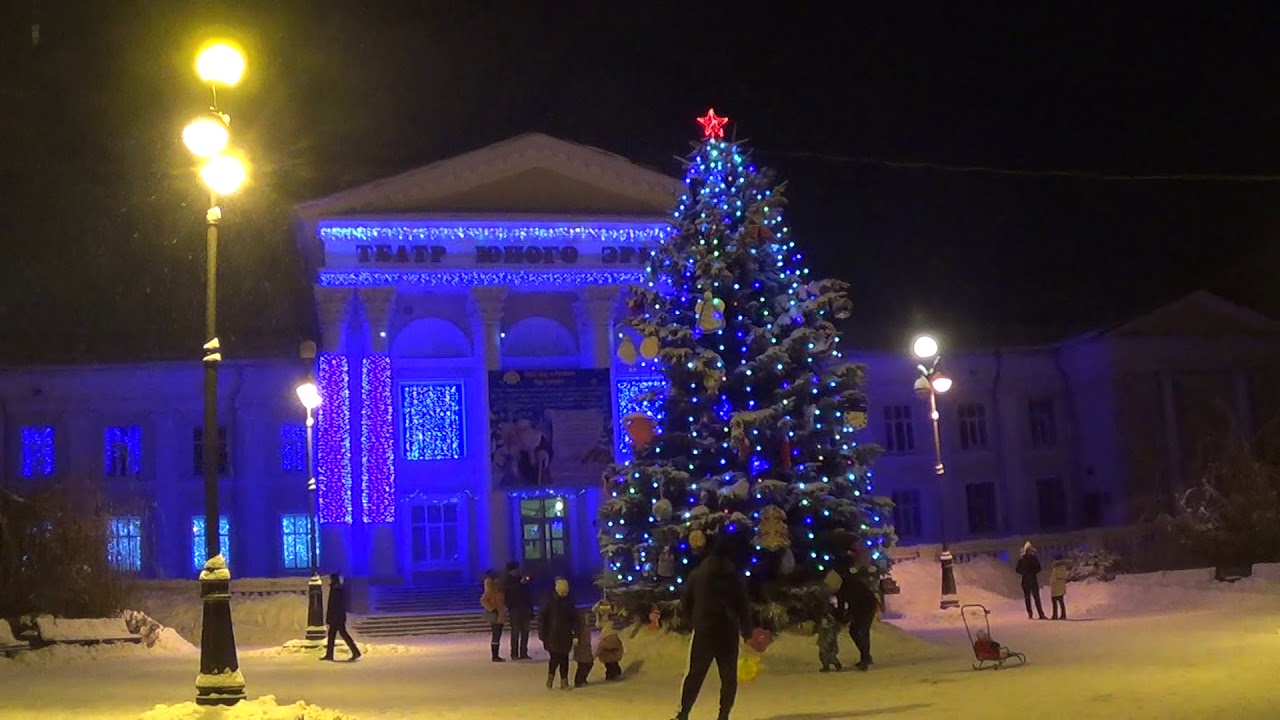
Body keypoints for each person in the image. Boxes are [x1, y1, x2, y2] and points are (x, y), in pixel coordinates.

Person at [671, 535, 753, 720]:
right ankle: (723, 715)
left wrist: (693, 621)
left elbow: (686, 601)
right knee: (728, 677)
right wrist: (746, 629)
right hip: (728, 631)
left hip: (704, 630)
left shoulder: (698, 574)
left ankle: (684, 712)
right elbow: (743, 605)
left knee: (695, 674)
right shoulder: (734, 577)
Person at [840, 555, 879, 672]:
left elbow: (854, 604)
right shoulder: (842, 587)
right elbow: (842, 604)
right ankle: (866, 656)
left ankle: (865, 658)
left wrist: (847, 616)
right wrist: (841, 616)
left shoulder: (849, 585)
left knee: (862, 630)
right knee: (856, 631)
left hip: (868, 606)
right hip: (863, 605)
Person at [538, 577, 578, 691]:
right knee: (555, 658)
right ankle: (551, 677)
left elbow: (574, 620)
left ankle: (564, 681)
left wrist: (575, 634)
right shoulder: (550, 602)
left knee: (564, 658)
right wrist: (543, 635)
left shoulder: (569, 603)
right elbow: (543, 619)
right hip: (552, 635)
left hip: (565, 635)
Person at [321, 573, 361, 662]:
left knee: (338, 635)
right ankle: (354, 652)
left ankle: (354, 652)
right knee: (336, 635)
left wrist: (331, 617)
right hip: (339, 616)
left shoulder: (336, 589)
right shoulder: (338, 589)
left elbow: (333, 605)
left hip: (336, 617)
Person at [504, 560, 533, 660]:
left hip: (525, 607)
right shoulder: (508, 580)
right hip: (514, 608)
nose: (518, 571)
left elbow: (528, 595)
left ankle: (524, 652)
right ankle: (514, 653)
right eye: (516, 569)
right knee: (515, 631)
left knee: (525, 631)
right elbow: (509, 594)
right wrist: (520, 584)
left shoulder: (521, 579)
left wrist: (530, 609)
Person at [1016, 542, 1048, 620]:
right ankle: (1033, 614)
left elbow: (1038, 568)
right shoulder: (1024, 559)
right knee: (1030, 598)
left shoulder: (1030, 558)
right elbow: (1017, 569)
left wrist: (1029, 572)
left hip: (1029, 579)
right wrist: (1027, 572)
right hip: (1029, 580)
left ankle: (1038, 614)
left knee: (1034, 597)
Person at [480, 569, 507, 662]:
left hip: (499, 614)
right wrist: (492, 608)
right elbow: (483, 600)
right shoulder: (491, 590)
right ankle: (495, 655)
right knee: (496, 635)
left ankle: (496, 655)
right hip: (496, 615)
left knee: (497, 635)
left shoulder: (497, 589)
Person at [815, 591, 843, 672]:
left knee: (830, 650)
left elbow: (834, 623)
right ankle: (826, 665)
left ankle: (836, 664)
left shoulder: (831, 612)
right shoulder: (820, 612)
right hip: (823, 634)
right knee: (823, 651)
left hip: (829, 633)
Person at [572, 610, 595, 687]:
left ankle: (582, 679)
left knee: (588, 664)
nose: (588, 618)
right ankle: (578, 681)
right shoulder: (579, 627)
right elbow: (576, 635)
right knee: (583, 665)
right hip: (581, 648)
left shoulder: (586, 627)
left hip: (586, 648)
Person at [1049, 555, 1070, 620]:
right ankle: (1063, 615)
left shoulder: (1056, 568)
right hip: (1061, 585)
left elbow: (1053, 577)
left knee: (1054, 601)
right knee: (1061, 601)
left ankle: (1055, 615)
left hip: (1056, 585)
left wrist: (1051, 582)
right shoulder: (1063, 567)